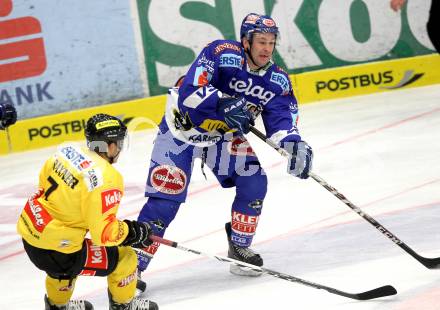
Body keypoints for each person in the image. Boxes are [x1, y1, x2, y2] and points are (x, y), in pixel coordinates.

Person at [136, 12, 313, 285]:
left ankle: (240, 247)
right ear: (245, 41)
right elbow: (189, 91)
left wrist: (293, 143)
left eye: (271, 42)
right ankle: (129, 270)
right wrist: (221, 102)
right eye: (261, 41)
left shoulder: (277, 80)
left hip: (220, 137)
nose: (267, 48)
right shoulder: (221, 52)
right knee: (164, 202)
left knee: (254, 182)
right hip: (180, 131)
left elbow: (281, 120)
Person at [16, 113, 159, 310]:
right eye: (117, 142)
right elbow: (105, 235)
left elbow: (43, 185)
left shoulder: (66, 151)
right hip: (59, 251)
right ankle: (124, 305)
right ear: (108, 145)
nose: (119, 148)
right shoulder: (107, 177)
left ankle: (57, 306)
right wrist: (133, 232)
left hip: (30, 233)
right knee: (125, 257)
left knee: (63, 269)